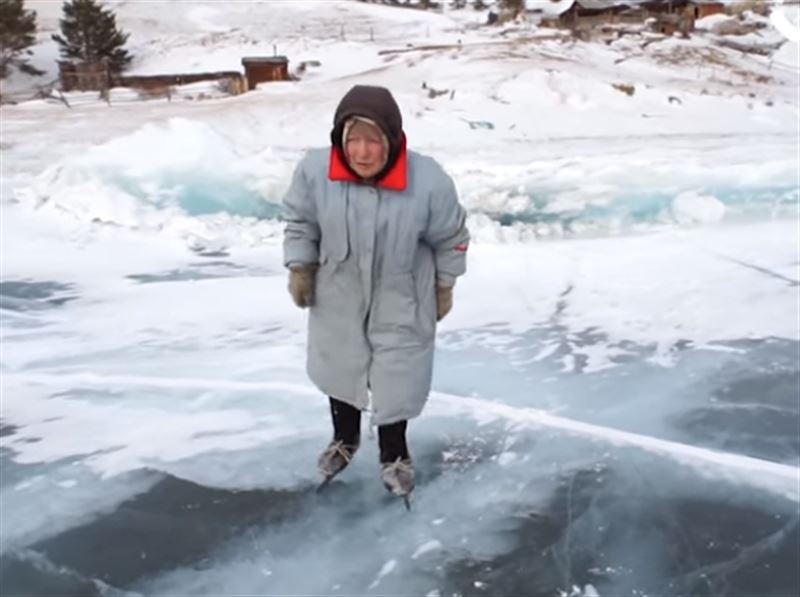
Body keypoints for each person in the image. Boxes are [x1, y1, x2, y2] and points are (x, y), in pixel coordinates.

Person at [282, 84, 470, 501]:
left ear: (391, 138)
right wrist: (300, 266)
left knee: (396, 377)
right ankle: (344, 439)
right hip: (339, 294)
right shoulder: (316, 172)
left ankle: (394, 453)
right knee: (341, 366)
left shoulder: (428, 180)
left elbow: (452, 237)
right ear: (340, 140)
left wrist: (445, 285)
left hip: (402, 296)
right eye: (353, 140)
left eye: (372, 140)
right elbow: (301, 222)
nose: (362, 152)